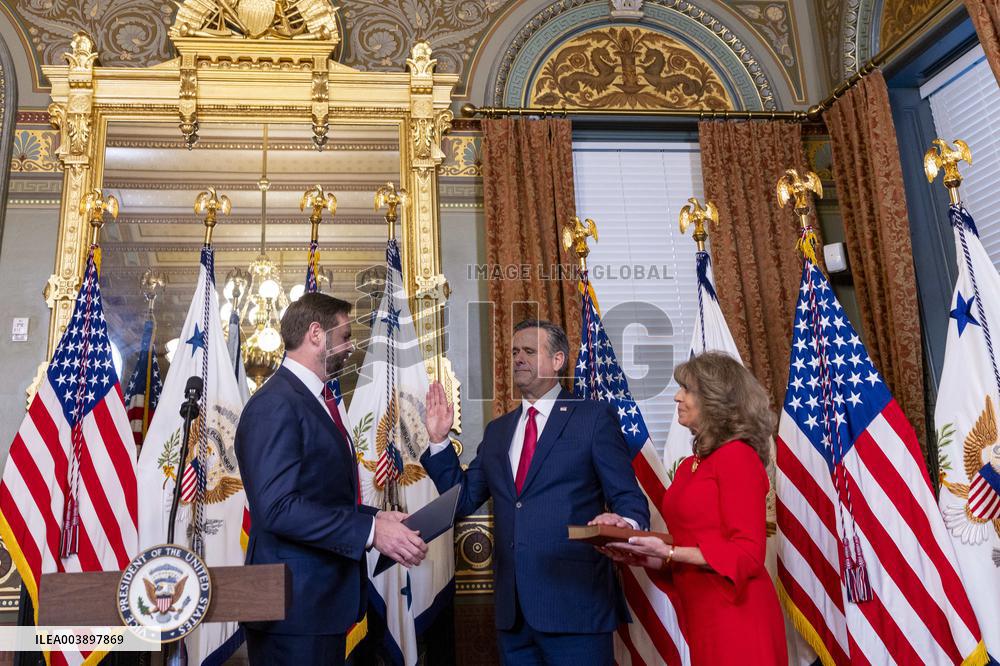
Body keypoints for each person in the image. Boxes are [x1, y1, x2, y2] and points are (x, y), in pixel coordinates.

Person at [422, 319, 649, 665]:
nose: (518, 359)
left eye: (529, 351)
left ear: (558, 361)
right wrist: (439, 442)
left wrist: (625, 527)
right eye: (514, 352)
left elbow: (629, 498)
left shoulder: (592, 417)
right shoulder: (498, 431)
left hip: (575, 607)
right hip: (513, 614)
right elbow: (465, 499)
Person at [235, 293, 428, 666]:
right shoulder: (276, 403)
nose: (351, 347)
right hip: (291, 608)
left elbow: (316, 496)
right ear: (316, 334)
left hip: (315, 604)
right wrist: (370, 534)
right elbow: (278, 508)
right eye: (345, 336)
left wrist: (374, 518)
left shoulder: (312, 400)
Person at [600, 351, 787, 664]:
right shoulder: (689, 467)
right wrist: (637, 552)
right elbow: (687, 547)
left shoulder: (737, 458)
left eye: (687, 390)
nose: (677, 396)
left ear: (716, 400)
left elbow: (747, 554)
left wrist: (668, 552)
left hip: (737, 613)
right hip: (701, 611)